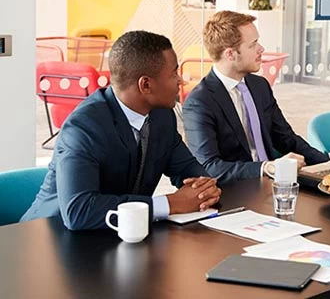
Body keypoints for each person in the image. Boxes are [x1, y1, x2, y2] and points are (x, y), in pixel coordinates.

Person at [21, 31, 221, 230]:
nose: (181, 81)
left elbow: (188, 169)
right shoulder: (83, 128)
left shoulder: (162, 116)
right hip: (49, 238)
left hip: (119, 236)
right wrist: (170, 204)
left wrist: (204, 190)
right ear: (146, 85)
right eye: (173, 74)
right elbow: (79, 211)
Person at [182, 11, 329, 184]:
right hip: (236, 192)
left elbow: (287, 139)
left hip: (274, 184)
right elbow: (209, 167)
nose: (261, 49)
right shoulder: (199, 102)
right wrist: (265, 167)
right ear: (230, 54)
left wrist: (329, 165)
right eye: (253, 45)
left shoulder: (259, 86)